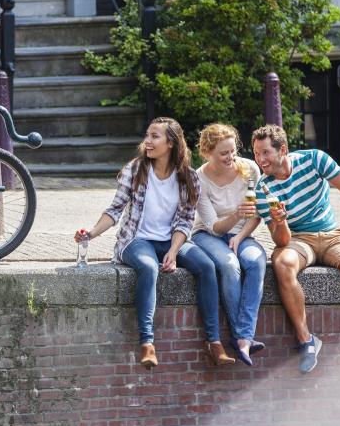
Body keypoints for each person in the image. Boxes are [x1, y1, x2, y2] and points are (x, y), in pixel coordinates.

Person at [75, 116, 235, 370]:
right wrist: (92, 233)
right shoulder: (136, 169)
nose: (148, 141)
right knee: (149, 268)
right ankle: (147, 343)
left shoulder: (188, 178)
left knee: (206, 266)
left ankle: (213, 343)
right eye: (147, 136)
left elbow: (185, 221)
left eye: (154, 136)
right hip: (136, 240)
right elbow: (115, 209)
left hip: (172, 240)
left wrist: (173, 252)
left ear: (171, 143)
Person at [250, 124, 340, 380]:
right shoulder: (263, 188)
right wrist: (280, 220)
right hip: (299, 239)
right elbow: (281, 240)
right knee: (282, 263)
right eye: (256, 154)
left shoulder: (313, 159)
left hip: (332, 235)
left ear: (282, 150)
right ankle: (306, 341)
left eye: (265, 153)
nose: (260, 160)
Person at [191, 123, 267, 366]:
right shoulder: (199, 178)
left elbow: (257, 211)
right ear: (208, 153)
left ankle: (244, 336)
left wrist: (241, 235)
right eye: (224, 153)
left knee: (256, 261)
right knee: (230, 265)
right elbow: (213, 226)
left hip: (240, 233)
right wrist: (235, 215)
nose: (230, 157)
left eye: (233, 151)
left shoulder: (250, 169)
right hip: (208, 234)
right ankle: (241, 336)